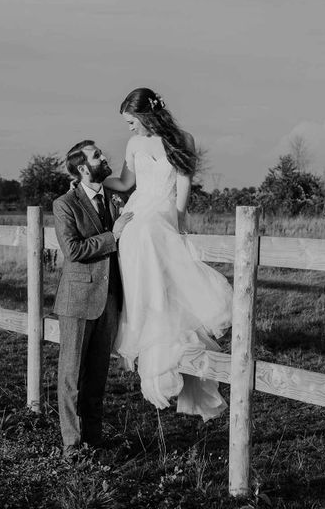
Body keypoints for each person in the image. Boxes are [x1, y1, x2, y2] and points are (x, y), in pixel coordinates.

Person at [103, 88, 232, 420]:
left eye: (131, 121)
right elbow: (125, 182)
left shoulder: (181, 139)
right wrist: (96, 179)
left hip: (163, 210)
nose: (129, 128)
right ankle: (148, 323)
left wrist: (177, 218)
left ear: (146, 116)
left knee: (152, 238)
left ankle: (168, 328)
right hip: (138, 209)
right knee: (136, 235)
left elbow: (184, 183)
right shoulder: (133, 145)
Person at [52, 140, 133, 456]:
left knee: (98, 375)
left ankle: (94, 439)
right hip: (78, 299)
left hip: (110, 298)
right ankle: (72, 445)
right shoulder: (65, 204)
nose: (104, 156)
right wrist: (113, 235)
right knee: (71, 375)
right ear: (84, 168)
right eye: (97, 155)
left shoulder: (115, 200)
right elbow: (73, 250)